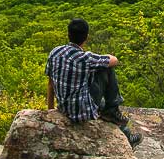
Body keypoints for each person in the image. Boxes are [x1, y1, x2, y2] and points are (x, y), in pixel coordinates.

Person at [45, 17, 141, 146]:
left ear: (68, 34)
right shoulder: (85, 58)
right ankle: (113, 111)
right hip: (82, 112)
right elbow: (114, 60)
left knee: (103, 105)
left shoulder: (54, 52)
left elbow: (51, 84)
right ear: (86, 37)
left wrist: (50, 111)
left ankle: (122, 127)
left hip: (63, 107)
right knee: (106, 68)